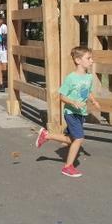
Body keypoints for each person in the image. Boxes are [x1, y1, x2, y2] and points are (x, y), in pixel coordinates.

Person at [35, 46, 101, 177]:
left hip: (81, 113)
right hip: (71, 113)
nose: (91, 61)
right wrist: (73, 102)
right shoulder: (71, 78)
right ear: (78, 60)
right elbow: (61, 96)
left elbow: (87, 92)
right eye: (88, 58)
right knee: (79, 139)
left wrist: (94, 101)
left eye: (91, 58)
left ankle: (47, 135)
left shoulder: (89, 77)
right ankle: (68, 167)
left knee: (71, 139)